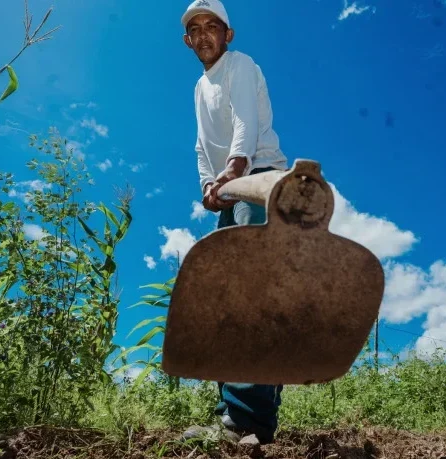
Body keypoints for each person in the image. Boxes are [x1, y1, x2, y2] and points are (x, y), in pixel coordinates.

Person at [178, 0, 289, 446]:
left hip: (258, 181)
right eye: (195, 29)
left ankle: (247, 421)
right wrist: (209, 182)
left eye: (213, 26)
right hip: (228, 189)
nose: (204, 35)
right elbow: (202, 145)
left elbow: (246, 120)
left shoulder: (240, 65)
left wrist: (236, 165)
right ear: (188, 41)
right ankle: (234, 414)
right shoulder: (199, 88)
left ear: (229, 34)